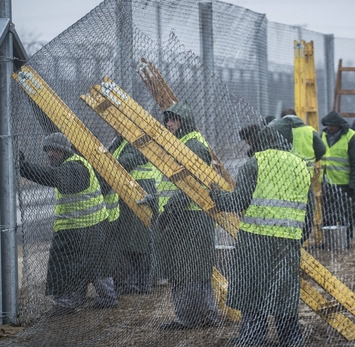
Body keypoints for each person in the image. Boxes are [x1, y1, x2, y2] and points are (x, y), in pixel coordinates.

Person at [210, 125, 314, 347]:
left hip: (255, 239)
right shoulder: (302, 165)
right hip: (287, 241)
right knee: (284, 288)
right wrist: (297, 237)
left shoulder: (255, 163)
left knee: (252, 286)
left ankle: (252, 335)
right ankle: (291, 339)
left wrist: (216, 196)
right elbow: (309, 212)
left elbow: (238, 202)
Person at [18, 132, 119, 316]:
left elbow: (52, 177)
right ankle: (104, 298)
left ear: (63, 150)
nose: (49, 154)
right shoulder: (71, 165)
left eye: (53, 150)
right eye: (47, 150)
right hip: (85, 226)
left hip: (85, 227)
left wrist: (24, 168)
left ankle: (69, 303)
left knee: (64, 265)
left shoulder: (75, 168)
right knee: (94, 264)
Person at [156, 101, 219, 329]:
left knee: (186, 270)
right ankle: (206, 315)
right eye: (168, 120)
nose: (169, 124)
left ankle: (188, 318)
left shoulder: (193, 146)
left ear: (185, 121)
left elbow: (194, 187)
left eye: (174, 119)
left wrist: (169, 210)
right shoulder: (183, 143)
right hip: (185, 216)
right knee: (194, 269)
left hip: (189, 217)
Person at [108, 134, 161, 295]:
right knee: (132, 243)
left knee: (139, 243)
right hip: (128, 198)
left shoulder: (132, 142)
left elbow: (123, 163)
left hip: (139, 196)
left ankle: (141, 283)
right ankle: (135, 282)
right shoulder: (119, 142)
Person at [320, 110, 355, 248]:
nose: (329, 128)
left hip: (345, 184)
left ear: (339, 125)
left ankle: (345, 241)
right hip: (328, 184)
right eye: (327, 125)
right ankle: (329, 242)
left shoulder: (352, 138)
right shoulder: (323, 135)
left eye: (332, 125)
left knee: (346, 215)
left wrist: (354, 185)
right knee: (328, 214)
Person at [276, 108, 327, 176]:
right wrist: (312, 160)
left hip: (287, 172)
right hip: (306, 171)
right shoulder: (310, 130)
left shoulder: (280, 131)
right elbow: (322, 149)